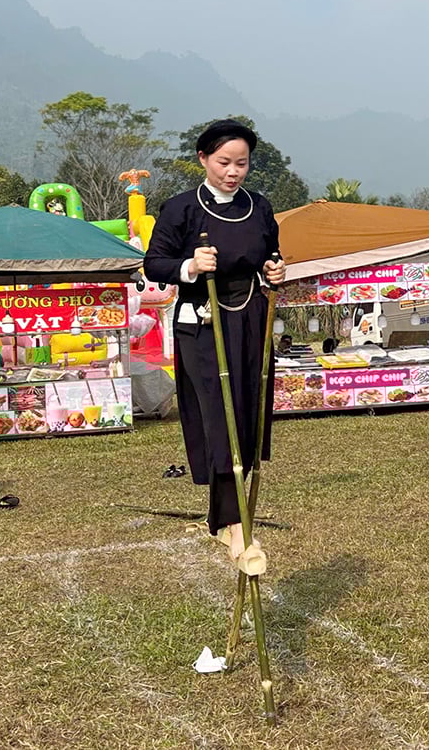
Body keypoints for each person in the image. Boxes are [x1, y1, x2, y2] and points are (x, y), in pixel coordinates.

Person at [144, 119, 286, 563]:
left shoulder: (259, 207)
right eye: (224, 162)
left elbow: (271, 255)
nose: (233, 172)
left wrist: (275, 269)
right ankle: (236, 526)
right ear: (203, 158)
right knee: (220, 419)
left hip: (251, 318)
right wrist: (190, 265)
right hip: (203, 323)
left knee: (246, 415)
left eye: (242, 163)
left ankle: (221, 519)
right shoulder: (181, 209)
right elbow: (154, 264)